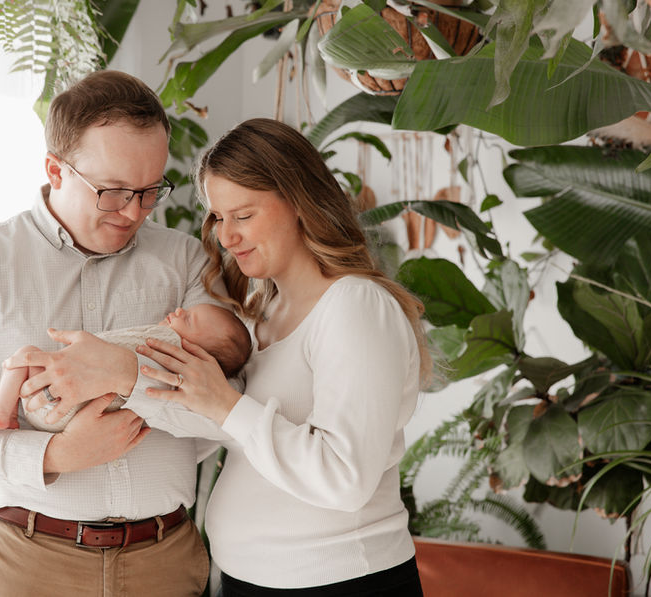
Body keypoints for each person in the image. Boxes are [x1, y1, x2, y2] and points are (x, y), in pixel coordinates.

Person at [0, 70, 228, 597]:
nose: (134, 211)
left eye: (150, 191)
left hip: (163, 561)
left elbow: (226, 405)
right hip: (22, 563)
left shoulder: (187, 261)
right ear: (56, 170)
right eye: (113, 191)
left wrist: (129, 379)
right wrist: (52, 456)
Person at [130, 118, 434, 596]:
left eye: (243, 215)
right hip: (250, 579)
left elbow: (345, 478)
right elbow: (239, 432)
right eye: (218, 217)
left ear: (298, 202)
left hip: (340, 582)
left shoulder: (353, 305)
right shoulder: (261, 312)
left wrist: (224, 404)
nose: (226, 237)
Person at [0, 303, 251, 432]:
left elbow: (231, 404)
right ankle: (5, 414)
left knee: (26, 355)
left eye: (187, 319)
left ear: (197, 354)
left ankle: (1, 411)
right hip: (62, 417)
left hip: (59, 407)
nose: (178, 311)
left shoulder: (169, 348)